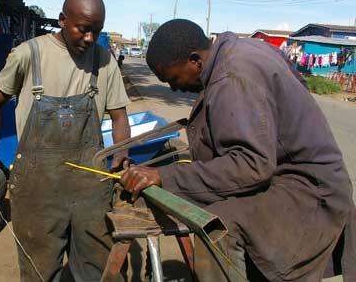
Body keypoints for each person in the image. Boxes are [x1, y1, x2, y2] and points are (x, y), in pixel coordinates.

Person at [121, 19, 356, 281]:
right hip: (299, 174)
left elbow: (251, 166)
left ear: (195, 60)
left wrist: (165, 176)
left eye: (173, 78)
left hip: (309, 188)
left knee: (220, 225)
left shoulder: (232, 76)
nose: (174, 88)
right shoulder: (241, 50)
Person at [0, 0, 131, 281]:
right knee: (39, 271)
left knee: (96, 269)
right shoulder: (29, 54)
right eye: (83, 29)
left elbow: (120, 117)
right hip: (38, 189)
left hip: (91, 186)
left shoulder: (103, 61)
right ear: (63, 20)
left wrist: (122, 153)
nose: (90, 39)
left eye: (96, 31)